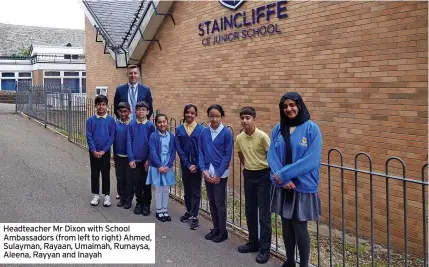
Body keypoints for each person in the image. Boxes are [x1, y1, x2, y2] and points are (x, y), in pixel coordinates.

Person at [267, 92, 322, 267]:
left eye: (292, 105)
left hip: (302, 186)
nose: (289, 109)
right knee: (286, 225)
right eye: (285, 106)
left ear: (299, 105)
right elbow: (272, 156)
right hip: (283, 185)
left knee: (299, 227)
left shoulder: (312, 129)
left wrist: (284, 174)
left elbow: (311, 160)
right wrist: (281, 180)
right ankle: (289, 261)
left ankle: (303, 264)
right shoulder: (278, 129)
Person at [235, 106, 272, 264]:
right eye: (242, 118)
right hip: (249, 174)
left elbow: (271, 156)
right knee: (250, 211)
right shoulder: (239, 138)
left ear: (254, 119)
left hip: (263, 176)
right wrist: (249, 167)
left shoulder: (263, 136)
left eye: (247, 117)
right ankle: (253, 242)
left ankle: (265, 249)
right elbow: (241, 155)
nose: (244, 121)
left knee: (264, 215)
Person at [198, 104, 233, 243]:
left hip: (220, 173)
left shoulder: (226, 133)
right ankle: (216, 228)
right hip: (207, 171)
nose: (214, 119)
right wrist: (203, 170)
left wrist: (218, 173)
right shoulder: (204, 132)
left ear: (221, 117)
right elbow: (200, 151)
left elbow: (227, 155)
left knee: (219, 202)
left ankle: (223, 231)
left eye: (217, 116)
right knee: (211, 201)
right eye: (212, 116)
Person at [175, 104, 204, 230]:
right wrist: (187, 164)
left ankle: (195, 216)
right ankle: (189, 211)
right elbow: (179, 148)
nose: (189, 115)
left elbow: (203, 149)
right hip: (185, 165)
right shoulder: (179, 129)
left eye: (192, 113)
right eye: (187, 112)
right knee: (187, 190)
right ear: (184, 113)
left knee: (196, 191)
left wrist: (197, 165)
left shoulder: (201, 130)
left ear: (195, 115)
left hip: (197, 166)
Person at [85, 95, 115, 207]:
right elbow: (89, 136)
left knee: (106, 173)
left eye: (103, 104)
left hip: (105, 152)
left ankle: (107, 195)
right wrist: (93, 150)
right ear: (95, 106)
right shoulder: (90, 120)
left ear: (106, 106)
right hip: (94, 152)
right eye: (99, 104)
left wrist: (104, 150)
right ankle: (96, 194)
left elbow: (112, 137)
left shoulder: (111, 120)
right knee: (95, 173)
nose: (101, 107)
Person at [127, 101, 156, 216]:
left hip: (146, 161)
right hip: (135, 160)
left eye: (143, 109)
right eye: (138, 109)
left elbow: (152, 144)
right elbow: (129, 142)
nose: (141, 111)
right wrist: (131, 158)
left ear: (147, 112)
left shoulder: (150, 126)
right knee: (137, 183)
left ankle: (146, 204)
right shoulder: (132, 125)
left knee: (146, 184)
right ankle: (139, 202)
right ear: (135, 111)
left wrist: (149, 159)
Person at [146, 114, 176, 222]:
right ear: (156, 124)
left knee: (166, 188)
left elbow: (173, 151)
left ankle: (165, 209)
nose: (162, 124)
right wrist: (159, 165)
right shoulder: (153, 136)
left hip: (167, 164)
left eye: (164, 122)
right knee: (158, 188)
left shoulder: (171, 136)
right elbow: (152, 152)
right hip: (157, 164)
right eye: (159, 122)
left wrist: (168, 165)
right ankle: (159, 211)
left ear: (167, 122)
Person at [113, 102, 132, 209]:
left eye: (125, 111)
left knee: (129, 179)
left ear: (129, 112)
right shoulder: (116, 124)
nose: (123, 114)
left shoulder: (133, 124)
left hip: (129, 157)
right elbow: (113, 138)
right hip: (118, 155)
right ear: (118, 112)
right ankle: (122, 197)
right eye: (121, 111)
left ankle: (129, 199)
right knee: (120, 178)